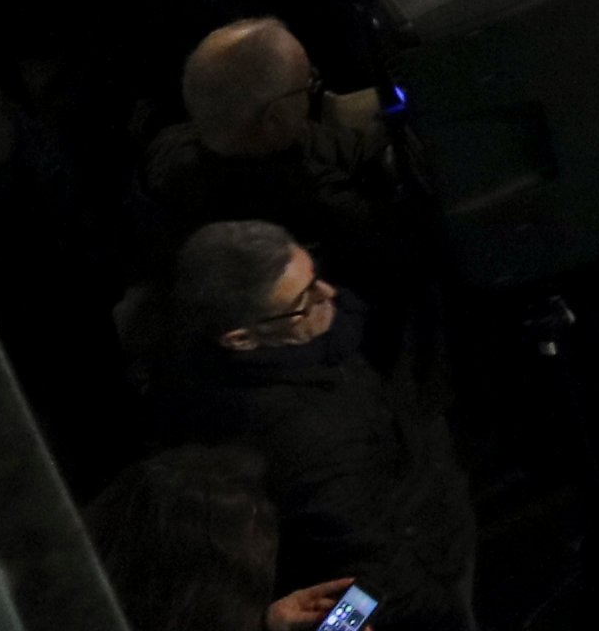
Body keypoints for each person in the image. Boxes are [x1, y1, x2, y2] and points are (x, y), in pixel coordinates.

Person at [151, 221, 480, 631]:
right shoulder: (306, 438)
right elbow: (376, 572)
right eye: (305, 300)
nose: (329, 294)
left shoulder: (282, 347)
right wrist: (348, 625)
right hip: (423, 584)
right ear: (240, 339)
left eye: (314, 276)